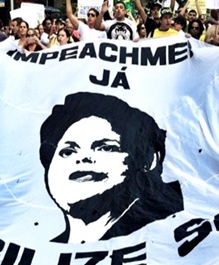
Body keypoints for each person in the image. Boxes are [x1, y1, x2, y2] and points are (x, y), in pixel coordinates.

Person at [38, 92, 183, 243]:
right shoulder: (42, 249)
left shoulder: (176, 228)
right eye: (68, 152)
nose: (83, 158)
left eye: (105, 148)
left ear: (148, 159)